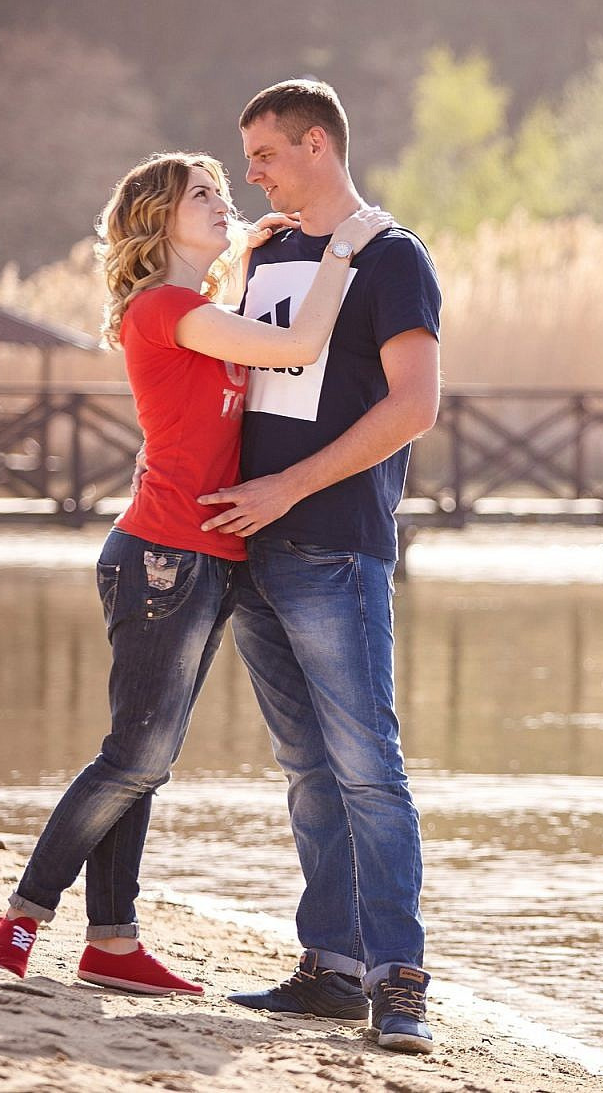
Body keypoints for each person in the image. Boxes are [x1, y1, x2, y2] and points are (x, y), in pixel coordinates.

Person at [0, 151, 390, 994]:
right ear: (159, 219)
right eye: (204, 195)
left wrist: (247, 252)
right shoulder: (165, 307)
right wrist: (342, 248)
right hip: (162, 555)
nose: (224, 203)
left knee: (146, 757)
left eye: (225, 195)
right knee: (134, 756)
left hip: (208, 560)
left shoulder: (199, 305)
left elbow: (234, 347)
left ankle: (113, 946)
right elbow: (299, 344)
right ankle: (21, 916)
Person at [203, 79, 442, 1055]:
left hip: (331, 542)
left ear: (315, 143)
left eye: (261, 154)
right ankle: (332, 968)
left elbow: (412, 405)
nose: (249, 174)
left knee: (366, 768)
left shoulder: (391, 258)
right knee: (306, 772)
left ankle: (400, 984)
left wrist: (288, 488)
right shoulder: (266, 254)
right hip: (244, 547)